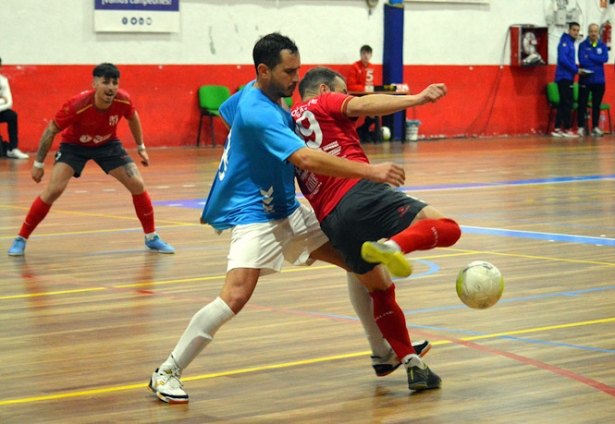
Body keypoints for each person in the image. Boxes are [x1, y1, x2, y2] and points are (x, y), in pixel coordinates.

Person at [147, 33, 429, 405]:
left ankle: (383, 355)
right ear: (264, 71)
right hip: (256, 214)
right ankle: (166, 371)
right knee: (235, 295)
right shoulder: (259, 112)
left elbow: (230, 112)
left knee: (358, 259)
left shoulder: (254, 93)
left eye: (298, 69)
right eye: (288, 71)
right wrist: (371, 172)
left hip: (287, 209)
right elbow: (306, 160)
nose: (296, 79)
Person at [291, 66, 463, 389]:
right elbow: (363, 105)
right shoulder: (324, 102)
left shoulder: (286, 124)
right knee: (448, 227)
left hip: (331, 220)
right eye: (343, 91)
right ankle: (394, 246)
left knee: (379, 289)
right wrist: (418, 98)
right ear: (326, 89)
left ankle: (410, 364)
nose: (347, 98)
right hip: (361, 192)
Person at [7, 63, 174, 256]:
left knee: (137, 183)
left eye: (114, 83)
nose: (110, 87)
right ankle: (21, 238)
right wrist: (38, 164)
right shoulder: (76, 105)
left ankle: (151, 237)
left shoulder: (123, 101)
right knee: (54, 190)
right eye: (105, 82)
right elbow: (51, 130)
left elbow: (133, 117)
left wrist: (141, 148)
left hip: (107, 145)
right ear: (94, 83)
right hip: (74, 147)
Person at [577, 23, 608, 137]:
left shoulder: (602, 45)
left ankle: (595, 127)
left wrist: (590, 55)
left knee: (596, 105)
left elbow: (605, 58)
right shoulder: (582, 45)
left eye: (595, 31)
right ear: (588, 32)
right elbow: (582, 61)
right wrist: (596, 60)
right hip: (585, 80)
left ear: (598, 32)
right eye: (591, 31)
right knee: (582, 104)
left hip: (599, 80)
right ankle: (580, 127)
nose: (593, 33)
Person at [552, 22, 581, 138]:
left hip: (568, 76)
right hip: (564, 77)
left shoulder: (570, 43)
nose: (576, 32)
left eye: (578, 30)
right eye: (574, 30)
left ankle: (557, 128)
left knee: (564, 103)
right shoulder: (565, 43)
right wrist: (575, 69)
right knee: (568, 103)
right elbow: (563, 60)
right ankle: (567, 128)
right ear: (569, 30)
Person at [347, 45, 380, 143]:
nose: (366, 56)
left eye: (368, 53)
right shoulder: (355, 67)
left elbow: (374, 85)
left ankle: (365, 131)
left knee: (376, 109)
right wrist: (364, 88)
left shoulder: (372, 67)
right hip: (356, 96)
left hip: (368, 95)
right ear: (361, 54)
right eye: (364, 53)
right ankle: (362, 131)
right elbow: (351, 86)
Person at [0, 57, 29, 159]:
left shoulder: (3, 81)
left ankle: (13, 149)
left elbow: (9, 102)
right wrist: (2, 100)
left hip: (0, 110)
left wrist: (4, 101)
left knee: (12, 115)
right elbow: (4, 100)